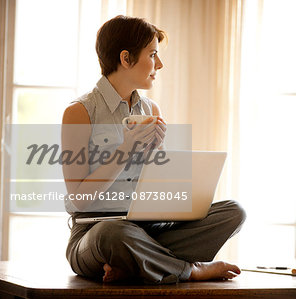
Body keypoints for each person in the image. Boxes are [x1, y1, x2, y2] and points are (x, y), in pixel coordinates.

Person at [62, 15, 245, 284]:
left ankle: (136, 264)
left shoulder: (151, 110)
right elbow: (79, 199)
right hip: (95, 232)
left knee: (233, 211)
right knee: (114, 234)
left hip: (149, 231)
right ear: (126, 59)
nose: (159, 64)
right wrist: (126, 149)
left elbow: (157, 191)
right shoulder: (79, 112)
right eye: (153, 54)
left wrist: (160, 161)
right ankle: (191, 269)